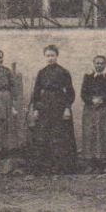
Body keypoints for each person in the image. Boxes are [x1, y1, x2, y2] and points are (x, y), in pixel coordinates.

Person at [28, 44, 78, 174]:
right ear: (45, 57)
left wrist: (67, 108)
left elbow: (70, 92)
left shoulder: (63, 72)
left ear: (57, 56)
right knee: (44, 134)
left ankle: (61, 167)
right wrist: (36, 109)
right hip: (45, 105)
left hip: (59, 104)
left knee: (60, 134)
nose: (50, 58)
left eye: (53, 55)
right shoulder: (42, 72)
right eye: (48, 56)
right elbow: (37, 92)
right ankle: (45, 166)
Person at [80, 55, 106, 172]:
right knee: (91, 135)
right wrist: (91, 100)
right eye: (97, 63)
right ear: (94, 64)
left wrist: (102, 100)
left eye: (101, 63)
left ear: (105, 64)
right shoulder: (88, 76)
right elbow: (83, 93)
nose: (99, 65)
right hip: (91, 110)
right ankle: (92, 164)